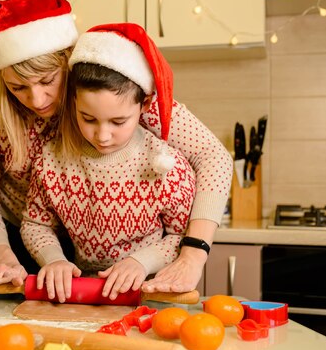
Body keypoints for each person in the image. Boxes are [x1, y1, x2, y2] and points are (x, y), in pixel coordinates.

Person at [0, 0, 232, 295]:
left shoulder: (115, 83)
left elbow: (213, 156)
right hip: (11, 232)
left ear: (68, 63)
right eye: (17, 87)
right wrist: (4, 257)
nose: (37, 100)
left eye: (47, 81)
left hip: (75, 246)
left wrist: (193, 254)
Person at [21, 23, 196, 303]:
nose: (102, 136)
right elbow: (34, 224)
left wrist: (141, 262)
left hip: (150, 293)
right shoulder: (51, 161)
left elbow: (180, 236)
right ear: (73, 103)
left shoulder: (166, 166)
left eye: (118, 122)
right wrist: (53, 259)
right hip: (81, 294)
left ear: (145, 106)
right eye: (88, 118)